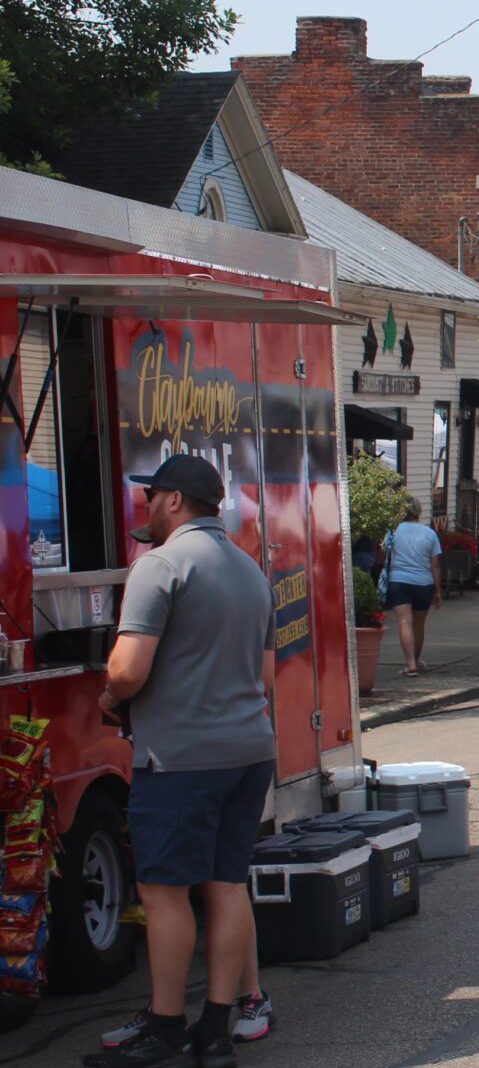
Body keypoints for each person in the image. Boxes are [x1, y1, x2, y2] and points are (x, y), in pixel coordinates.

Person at [90, 456, 275, 1068]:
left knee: (165, 892)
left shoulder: (160, 565)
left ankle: (167, 1025)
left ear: (173, 500)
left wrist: (112, 697)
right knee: (226, 886)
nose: (145, 509)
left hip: (180, 759)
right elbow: (267, 676)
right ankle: (217, 1030)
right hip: (250, 752)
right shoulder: (251, 571)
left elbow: (127, 668)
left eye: (149, 499)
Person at [383, 496, 441, 677]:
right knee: (419, 624)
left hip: (399, 580)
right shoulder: (430, 534)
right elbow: (435, 565)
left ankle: (410, 664)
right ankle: (416, 660)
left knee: (404, 622)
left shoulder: (394, 531)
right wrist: (438, 590)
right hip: (423, 583)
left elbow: (386, 551)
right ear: (419, 511)